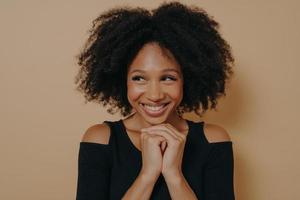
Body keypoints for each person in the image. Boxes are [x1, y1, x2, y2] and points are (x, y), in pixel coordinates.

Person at [75, 1, 235, 199]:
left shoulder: (213, 140)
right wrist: (148, 174)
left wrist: (173, 174)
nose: (155, 95)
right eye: (139, 78)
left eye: (168, 78)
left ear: (187, 79)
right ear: (122, 80)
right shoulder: (101, 139)